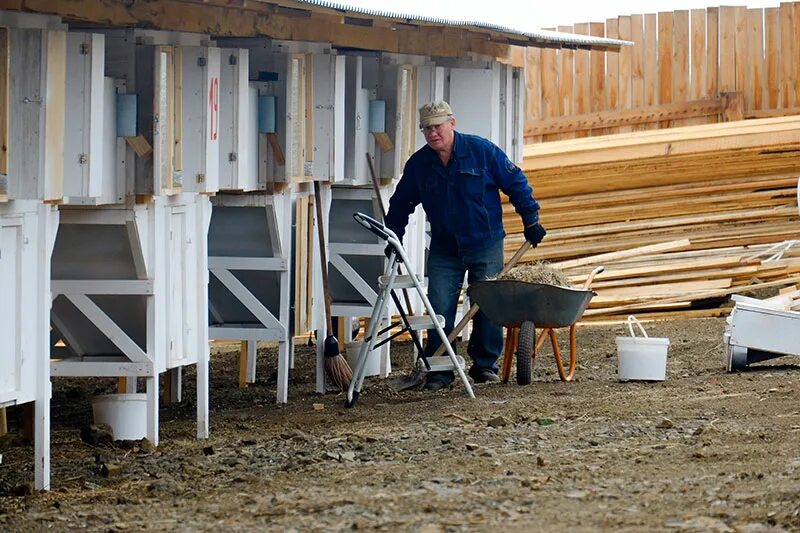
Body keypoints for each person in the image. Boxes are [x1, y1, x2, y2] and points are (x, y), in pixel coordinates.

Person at [384, 100, 546, 390]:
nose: (433, 133)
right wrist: (393, 237)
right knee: (439, 306)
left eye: (437, 126)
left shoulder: (481, 152)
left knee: (487, 304)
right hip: (445, 248)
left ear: (452, 124)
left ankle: (484, 366)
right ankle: (441, 370)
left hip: (485, 242)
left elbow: (515, 182)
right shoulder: (420, 165)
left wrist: (530, 220)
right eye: (427, 129)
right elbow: (401, 203)